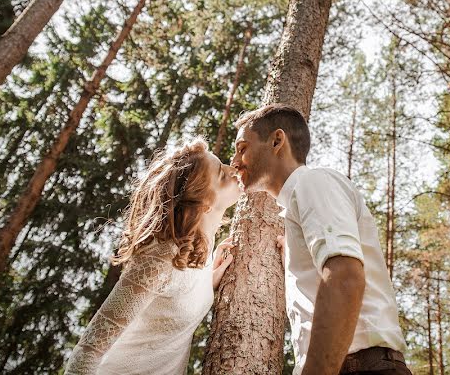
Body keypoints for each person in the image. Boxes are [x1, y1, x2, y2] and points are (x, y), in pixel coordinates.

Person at [231, 104, 411, 375]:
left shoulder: (313, 182)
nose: (234, 161)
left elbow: (344, 277)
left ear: (277, 141)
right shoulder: (299, 205)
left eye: (242, 148)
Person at [64, 137, 241, 375]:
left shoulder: (198, 253)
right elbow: (89, 349)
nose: (234, 169)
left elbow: (172, 301)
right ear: (202, 203)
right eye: (221, 175)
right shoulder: (158, 258)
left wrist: (209, 280)